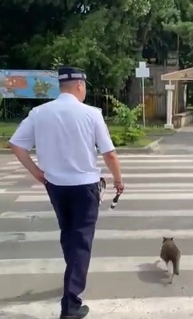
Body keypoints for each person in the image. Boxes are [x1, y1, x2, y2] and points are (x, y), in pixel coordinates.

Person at [9, 66, 124, 319]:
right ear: (80, 85)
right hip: (85, 187)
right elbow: (109, 153)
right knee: (81, 240)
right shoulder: (91, 114)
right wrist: (118, 180)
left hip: (56, 186)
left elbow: (16, 145)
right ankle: (70, 305)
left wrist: (37, 173)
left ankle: (73, 272)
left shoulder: (39, 113)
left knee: (69, 234)